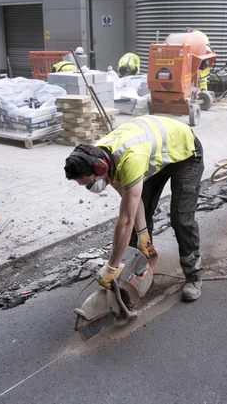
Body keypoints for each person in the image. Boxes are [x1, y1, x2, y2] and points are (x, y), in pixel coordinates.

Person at [64, 115, 204, 301]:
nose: (91, 188)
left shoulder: (129, 161)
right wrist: (143, 232)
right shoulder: (99, 156)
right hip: (155, 151)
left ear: (100, 169)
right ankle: (141, 274)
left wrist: (111, 267)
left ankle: (193, 276)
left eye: (90, 183)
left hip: (185, 152)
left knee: (181, 219)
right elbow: (132, 202)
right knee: (139, 221)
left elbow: (126, 221)